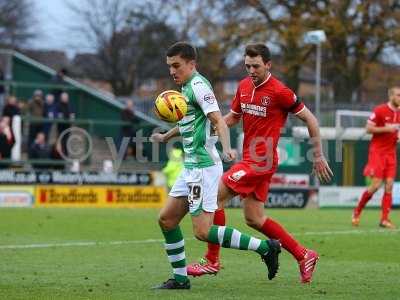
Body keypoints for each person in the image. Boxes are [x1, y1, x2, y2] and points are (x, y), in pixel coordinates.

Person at [186, 43, 333, 284]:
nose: (251, 70)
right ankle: (304, 254)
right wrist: (211, 127)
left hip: (260, 162)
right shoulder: (243, 86)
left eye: (256, 66)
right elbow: (233, 117)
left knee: (214, 199)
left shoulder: (280, 91)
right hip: (250, 160)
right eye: (247, 66)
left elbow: (310, 119)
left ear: (268, 64)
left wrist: (318, 155)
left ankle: (212, 261)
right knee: (254, 218)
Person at [150, 42, 281, 290]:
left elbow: (218, 121)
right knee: (167, 220)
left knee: (202, 231)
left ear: (191, 64)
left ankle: (266, 247)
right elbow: (190, 122)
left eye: (176, 65)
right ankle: (180, 279)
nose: (172, 71)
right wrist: (166, 136)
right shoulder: (185, 89)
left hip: (203, 167)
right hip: (190, 166)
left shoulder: (199, 87)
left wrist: (227, 148)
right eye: (169, 67)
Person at [352, 86, 400, 229]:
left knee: (390, 185)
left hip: (391, 153)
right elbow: (368, 129)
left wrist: (397, 136)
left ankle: (384, 219)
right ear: (390, 96)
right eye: (398, 95)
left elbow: (397, 132)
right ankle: (357, 211)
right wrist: (387, 128)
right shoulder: (380, 110)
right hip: (377, 152)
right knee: (375, 186)